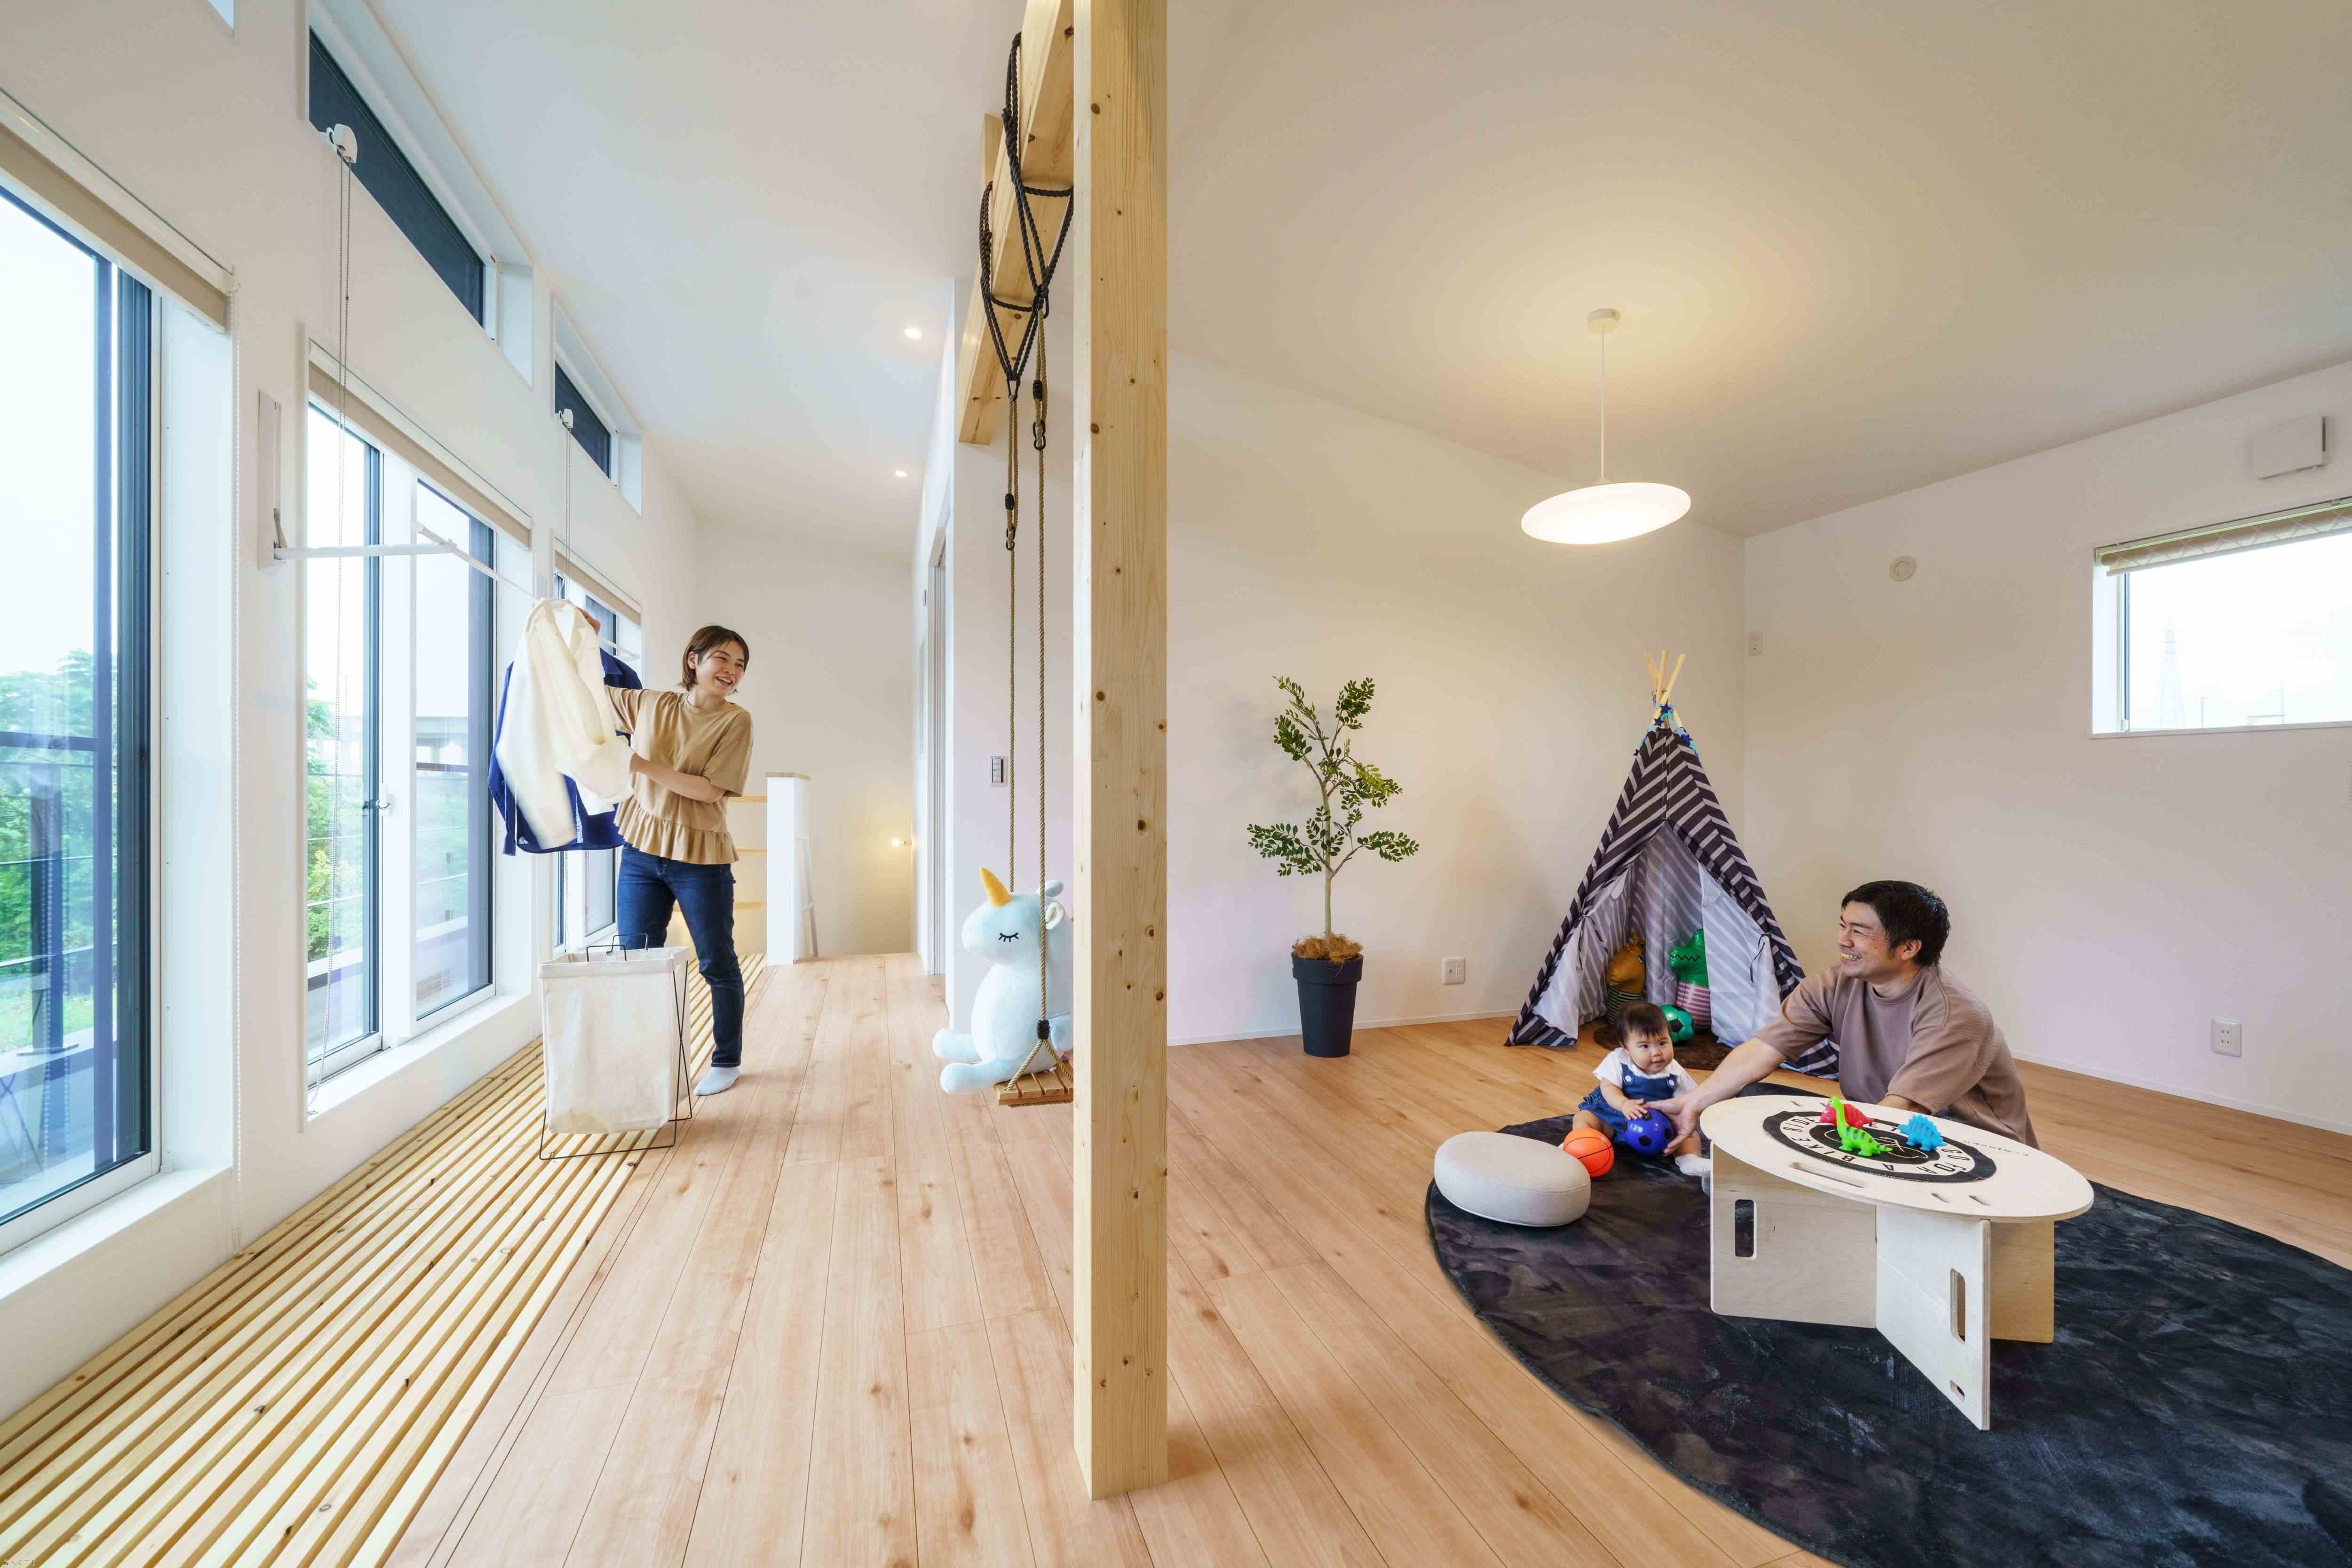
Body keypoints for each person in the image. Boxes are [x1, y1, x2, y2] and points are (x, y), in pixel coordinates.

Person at [1653, 880, 2038, 1151]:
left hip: (1969, 1145)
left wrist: (1824, 1148)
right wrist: (1693, 1102)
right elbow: (1762, 1049)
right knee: (1747, 1097)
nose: (1843, 939)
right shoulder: (1835, 984)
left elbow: (1904, 1109)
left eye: (1860, 931)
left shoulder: (1955, 1015)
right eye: (1843, 925)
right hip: (1883, 1119)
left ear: (1908, 948)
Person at [610, 626, 755, 1096]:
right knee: (637, 959)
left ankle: (727, 1060)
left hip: (700, 859)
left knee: (716, 961)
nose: (731, 671)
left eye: (739, 664)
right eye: (722, 659)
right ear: (693, 660)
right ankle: (647, 1063)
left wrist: (638, 764)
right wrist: (577, 638)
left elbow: (709, 790)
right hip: (640, 851)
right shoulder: (650, 704)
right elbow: (582, 696)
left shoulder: (736, 721)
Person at [1572, 1002, 1712, 1176]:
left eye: (1662, 1043)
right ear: (1626, 1048)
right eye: (1645, 1046)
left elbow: (1691, 1099)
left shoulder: (1675, 1071)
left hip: (1657, 1129)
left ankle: (1690, 1160)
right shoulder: (1619, 1061)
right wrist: (1623, 1104)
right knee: (1584, 1118)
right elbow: (1608, 1087)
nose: (1656, 1052)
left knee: (1688, 1134)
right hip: (1614, 1119)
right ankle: (1581, 1146)